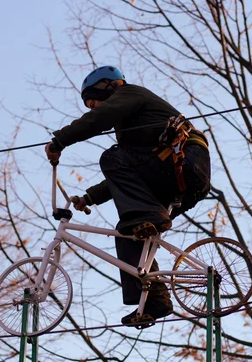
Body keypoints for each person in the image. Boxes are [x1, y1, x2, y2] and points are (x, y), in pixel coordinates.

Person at [45, 66, 211, 328]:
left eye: (93, 101)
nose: (93, 108)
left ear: (108, 86)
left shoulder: (130, 93)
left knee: (112, 158)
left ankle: (148, 215)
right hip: (176, 175)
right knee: (129, 234)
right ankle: (155, 297)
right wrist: (89, 197)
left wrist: (59, 141)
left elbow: (100, 118)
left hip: (185, 162)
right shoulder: (133, 130)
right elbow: (132, 173)